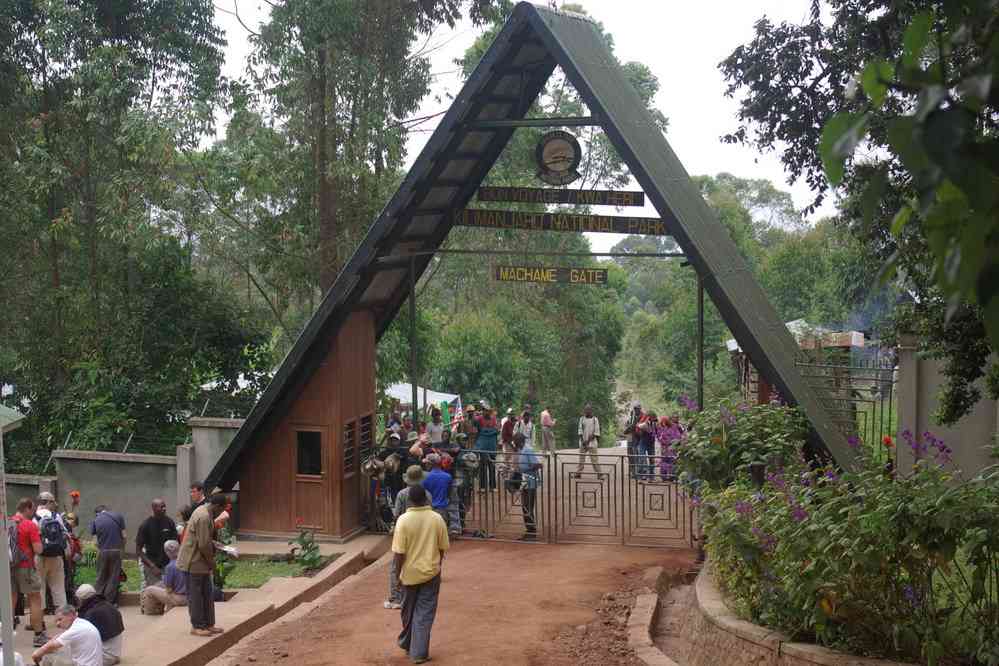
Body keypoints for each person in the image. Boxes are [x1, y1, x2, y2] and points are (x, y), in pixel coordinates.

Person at [392, 485, 449, 664]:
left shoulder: (403, 520)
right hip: (431, 573)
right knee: (424, 613)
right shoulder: (437, 519)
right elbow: (442, 548)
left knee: (407, 611)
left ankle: (410, 644)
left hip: (408, 574)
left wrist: (397, 575)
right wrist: (437, 565)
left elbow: (398, 553)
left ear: (409, 501)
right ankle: (417, 651)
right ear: (426, 499)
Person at [177, 494, 227, 637]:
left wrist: (217, 545)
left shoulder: (207, 512)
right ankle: (197, 626)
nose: (221, 513)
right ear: (217, 506)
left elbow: (206, 539)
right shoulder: (204, 516)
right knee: (196, 595)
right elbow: (204, 544)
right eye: (222, 509)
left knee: (207, 593)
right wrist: (213, 563)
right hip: (193, 562)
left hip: (201, 561)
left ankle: (209, 624)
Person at [384, 465, 425, 610]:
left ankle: (396, 598)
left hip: (405, 532)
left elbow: (397, 515)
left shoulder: (402, 494)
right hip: (422, 534)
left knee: (397, 565)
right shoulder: (427, 494)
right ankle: (418, 597)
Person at [11, 498, 47, 647]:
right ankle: (39, 636)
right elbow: (38, 550)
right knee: (34, 599)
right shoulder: (29, 525)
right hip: (25, 566)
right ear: (27, 508)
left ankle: (3, 636)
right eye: (32, 510)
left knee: (9, 600)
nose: (33, 513)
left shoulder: (7, 522)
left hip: (8, 566)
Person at [30, 605, 102, 666]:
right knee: (54, 652)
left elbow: (51, 645)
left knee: (48, 656)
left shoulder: (75, 629)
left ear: (70, 616)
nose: (57, 624)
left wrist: (37, 654)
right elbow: (57, 638)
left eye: (60, 619)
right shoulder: (81, 623)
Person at [34, 493, 69, 612]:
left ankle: (40, 620)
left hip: (39, 556)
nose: (55, 505)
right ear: (47, 502)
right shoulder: (56, 516)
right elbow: (65, 534)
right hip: (56, 556)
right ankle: (63, 616)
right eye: (53, 502)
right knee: (58, 587)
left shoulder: (33, 517)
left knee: (40, 588)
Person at [74, 585, 123, 666]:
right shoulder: (109, 606)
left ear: (81, 599)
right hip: (115, 654)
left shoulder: (92, 613)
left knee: (64, 654)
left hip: (103, 657)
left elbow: (80, 638)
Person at [135, 499, 176, 592]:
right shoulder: (145, 525)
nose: (164, 508)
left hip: (168, 565)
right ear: (154, 508)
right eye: (161, 507)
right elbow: (138, 550)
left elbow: (176, 544)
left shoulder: (169, 522)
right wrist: (152, 566)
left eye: (164, 506)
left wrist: (173, 563)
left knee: (169, 593)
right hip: (152, 567)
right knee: (154, 594)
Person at [89, 507, 124, 607]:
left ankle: (97, 600)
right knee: (114, 577)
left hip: (103, 551)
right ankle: (109, 602)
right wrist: (121, 549)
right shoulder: (118, 516)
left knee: (100, 576)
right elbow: (124, 536)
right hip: (116, 551)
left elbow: (95, 542)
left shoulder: (95, 520)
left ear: (97, 513)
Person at [144, 540, 187, 611]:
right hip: (191, 597)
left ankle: (152, 614)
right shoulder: (187, 561)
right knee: (160, 585)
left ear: (167, 552)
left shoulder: (170, 567)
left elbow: (169, 590)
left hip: (180, 599)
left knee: (149, 590)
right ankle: (167, 609)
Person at [513, 433, 542, 540]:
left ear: (519, 441)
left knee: (528, 506)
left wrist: (527, 468)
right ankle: (529, 530)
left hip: (530, 481)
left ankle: (532, 531)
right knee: (525, 506)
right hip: (525, 481)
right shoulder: (521, 450)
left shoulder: (528, 450)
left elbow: (538, 465)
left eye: (515, 441)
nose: (514, 443)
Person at [420, 454, 452, 526]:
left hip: (428, 511)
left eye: (427, 463)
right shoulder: (448, 477)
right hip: (442, 511)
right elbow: (449, 494)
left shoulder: (425, 477)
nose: (425, 465)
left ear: (430, 464)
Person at [473, 408, 498, 492]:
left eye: (487, 410)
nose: (486, 412)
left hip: (492, 446)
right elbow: (474, 424)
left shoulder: (494, 419)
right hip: (483, 445)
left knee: (492, 465)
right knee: (483, 465)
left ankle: (493, 486)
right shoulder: (479, 419)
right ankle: (482, 486)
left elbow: (497, 430)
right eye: (484, 410)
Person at [576, 404, 602, 474]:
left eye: (588, 410)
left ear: (591, 410)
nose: (586, 411)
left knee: (594, 459)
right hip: (583, 443)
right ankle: (578, 473)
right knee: (581, 459)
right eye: (585, 410)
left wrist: (588, 441)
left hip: (592, 443)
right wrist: (582, 441)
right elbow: (580, 430)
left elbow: (596, 432)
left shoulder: (595, 420)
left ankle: (599, 474)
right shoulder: (582, 419)